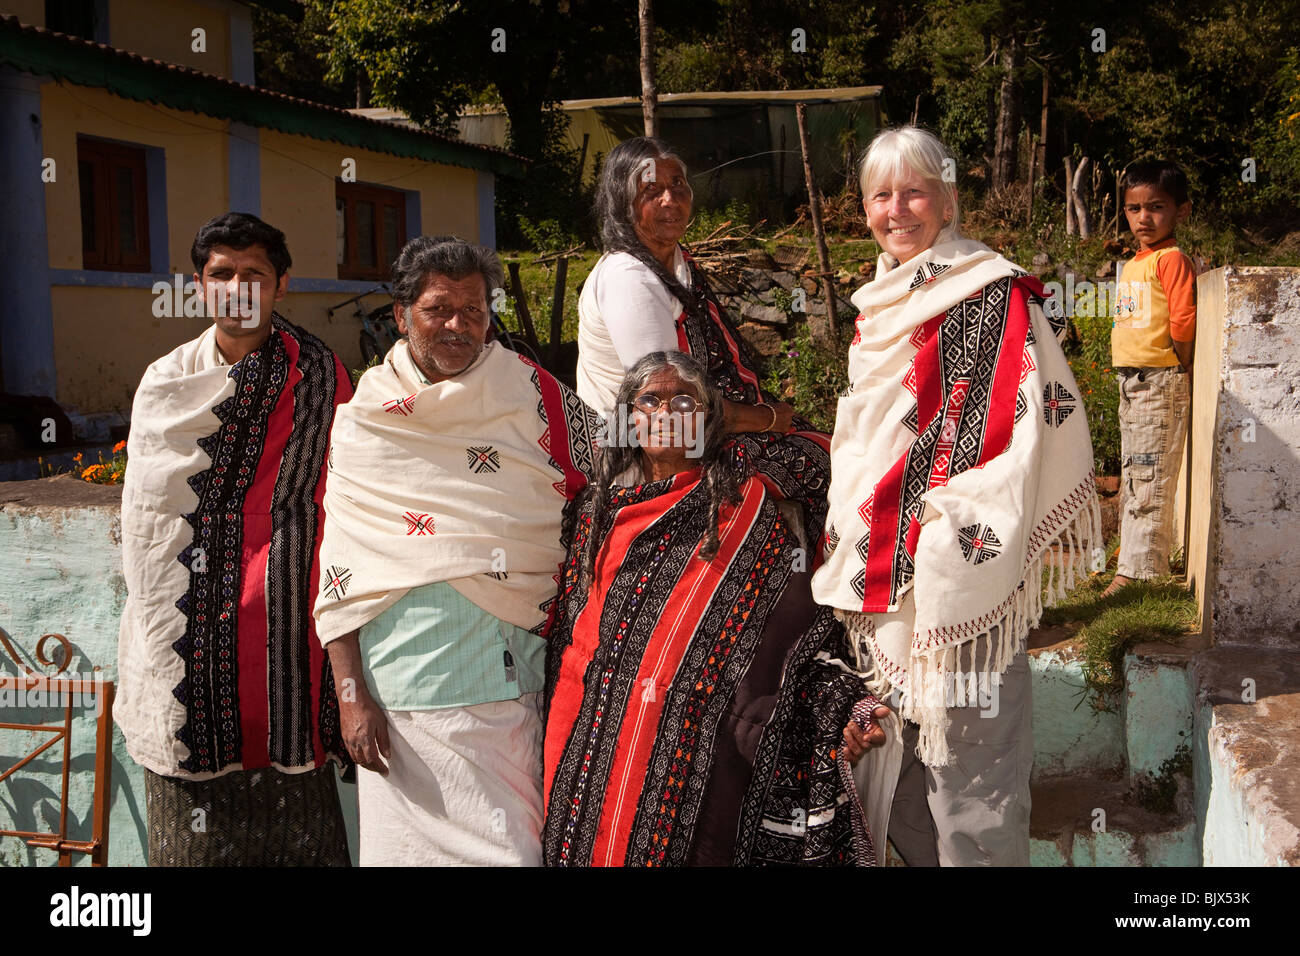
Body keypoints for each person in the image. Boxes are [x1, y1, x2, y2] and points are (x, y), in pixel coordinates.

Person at [810, 127, 1101, 866]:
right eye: (882, 195)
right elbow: (876, 434)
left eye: (915, 191)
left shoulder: (987, 293)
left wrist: (941, 533)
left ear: (947, 199)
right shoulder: (882, 302)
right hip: (875, 569)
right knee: (898, 771)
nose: (898, 209)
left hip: (956, 569)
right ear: (863, 208)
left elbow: (1024, 427)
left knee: (974, 772)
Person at [314, 235, 601, 866]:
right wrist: (349, 695)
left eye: (473, 312)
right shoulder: (365, 420)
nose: (457, 326)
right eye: (438, 309)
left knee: (513, 850)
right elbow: (340, 565)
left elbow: (618, 468)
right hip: (396, 700)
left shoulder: (529, 391)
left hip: (505, 683)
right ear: (401, 315)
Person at [542, 351, 889, 867]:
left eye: (685, 401)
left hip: (692, 754)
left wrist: (839, 712)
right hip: (585, 735)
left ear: (707, 420)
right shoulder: (595, 514)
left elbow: (789, 636)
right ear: (628, 419)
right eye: (649, 401)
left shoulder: (744, 512)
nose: (666, 412)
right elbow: (572, 634)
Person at [116, 212, 354, 866]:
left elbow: (350, 493)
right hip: (182, 646)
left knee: (301, 839)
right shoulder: (167, 382)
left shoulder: (320, 377)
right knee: (192, 844)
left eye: (255, 274)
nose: (239, 289)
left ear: (282, 284)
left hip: (288, 657)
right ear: (200, 287)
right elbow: (146, 526)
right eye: (222, 274)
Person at [576, 135, 832, 539]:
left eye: (678, 184)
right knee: (826, 463)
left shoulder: (673, 265)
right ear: (624, 206)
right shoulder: (629, 279)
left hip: (698, 428)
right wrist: (766, 419)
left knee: (835, 449)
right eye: (651, 190)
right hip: (649, 454)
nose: (669, 199)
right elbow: (669, 407)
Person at [1103, 160, 1196, 597]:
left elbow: (1182, 323)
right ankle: (1133, 565)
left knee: (1149, 475)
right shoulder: (1140, 261)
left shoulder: (1172, 260)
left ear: (1182, 210)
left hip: (1158, 382)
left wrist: (1182, 364)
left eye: (1156, 207)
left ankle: (1141, 576)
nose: (1143, 218)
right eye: (1133, 208)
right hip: (1133, 384)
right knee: (1135, 476)